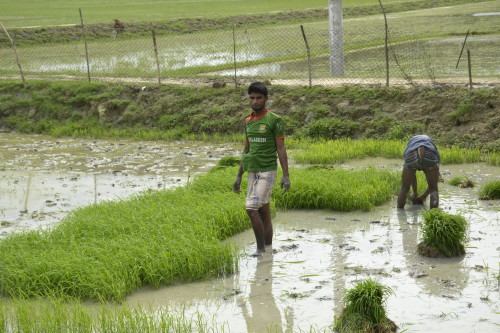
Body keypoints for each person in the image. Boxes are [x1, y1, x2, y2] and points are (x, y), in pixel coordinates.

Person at [233, 82, 290, 256]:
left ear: (266, 99)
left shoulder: (274, 120)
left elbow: (281, 148)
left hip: (267, 171)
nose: (255, 101)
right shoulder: (248, 121)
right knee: (263, 210)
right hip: (252, 170)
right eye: (252, 98)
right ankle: (268, 248)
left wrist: (286, 175)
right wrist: (238, 175)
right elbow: (246, 149)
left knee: (251, 208)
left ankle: (259, 250)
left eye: (259, 98)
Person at [397, 135, 440, 209]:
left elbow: (412, 175)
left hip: (412, 154)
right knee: (434, 189)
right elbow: (434, 182)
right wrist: (421, 195)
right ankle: (434, 215)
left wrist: (415, 193)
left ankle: (400, 214)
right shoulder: (433, 148)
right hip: (429, 155)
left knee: (404, 187)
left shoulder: (410, 146)